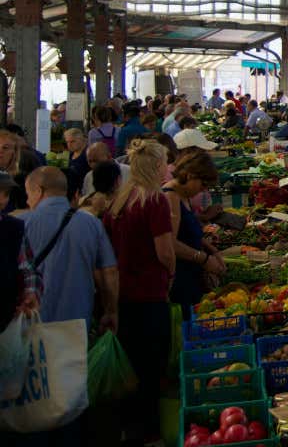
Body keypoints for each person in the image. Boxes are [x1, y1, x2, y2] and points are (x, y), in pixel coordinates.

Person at [103, 139, 176, 445]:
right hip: (150, 295)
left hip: (123, 296)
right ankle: (149, 430)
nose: (167, 168)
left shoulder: (119, 202)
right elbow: (164, 252)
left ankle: (128, 429)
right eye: (164, 164)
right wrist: (170, 272)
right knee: (152, 367)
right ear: (155, 166)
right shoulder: (153, 201)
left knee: (129, 366)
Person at [21, 166, 119, 332]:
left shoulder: (20, 224)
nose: (27, 201)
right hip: (77, 322)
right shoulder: (92, 224)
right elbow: (109, 272)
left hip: (31, 320)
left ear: (38, 190)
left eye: (28, 194)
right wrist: (111, 311)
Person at [164, 149, 224, 320]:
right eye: (202, 185)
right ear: (190, 175)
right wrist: (204, 259)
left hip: (191, 275)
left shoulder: (184, 196)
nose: (202, 191)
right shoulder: (171, 197)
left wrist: (213, 251)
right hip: (180, 280)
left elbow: (191, 233)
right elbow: (171, 243)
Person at [0, 172, 35, 336]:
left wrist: (29, 293)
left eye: (5, 194)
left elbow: (26, 267)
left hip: (6, 312)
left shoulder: (15, 227)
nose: (2, 199)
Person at [63, 127, 90, 197]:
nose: (69, 145)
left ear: (81, 140)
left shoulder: (88, 154)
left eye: (72, 141)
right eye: (67, 142)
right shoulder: (71, 154)